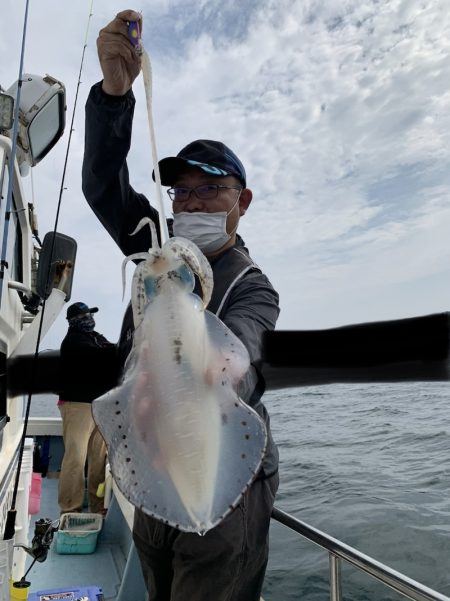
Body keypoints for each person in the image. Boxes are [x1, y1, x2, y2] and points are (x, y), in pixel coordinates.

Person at [81, 9, 280, 600]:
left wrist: (217, 370)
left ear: (240, 201)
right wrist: (116, 95)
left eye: (209, 188)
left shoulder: (251, 284)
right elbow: (101, 182)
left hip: (225, 483)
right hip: (154, 467)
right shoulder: (157, 247)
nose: (190, 201)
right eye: (181, 191)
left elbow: (245, 351)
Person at [58, 301, 117, 515]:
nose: (89, 319)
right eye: (85, 316)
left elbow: (113, 350)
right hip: (77, 406)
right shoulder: (74, 342)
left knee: (98, 459)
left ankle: (98, 506)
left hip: (99, 406)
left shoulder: (95, 337)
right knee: (76, 458)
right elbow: (103, 357)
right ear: (74, 321)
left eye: (90, 315)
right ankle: (69, 509)